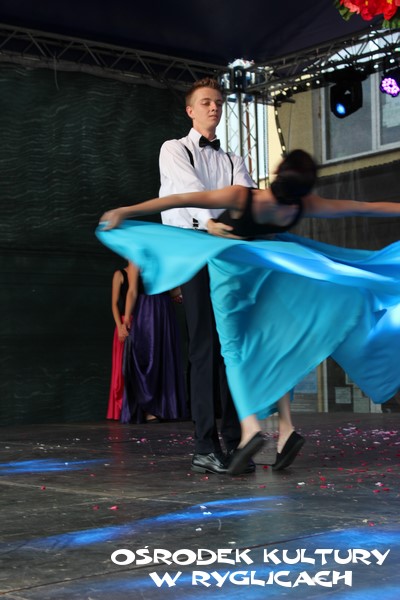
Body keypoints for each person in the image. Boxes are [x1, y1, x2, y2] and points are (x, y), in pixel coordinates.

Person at [97, 149, 400, 475]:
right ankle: (285, 428)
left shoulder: (244, 197)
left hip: (232, 280)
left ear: (278, 174)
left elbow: (180, 198)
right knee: (272, 346)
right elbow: (362, 207)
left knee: (235, 353)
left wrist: (126, 211)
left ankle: (251, 427)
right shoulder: (300, 204)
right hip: (266, 278)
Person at [158, 78, 257, 474]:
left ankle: (235, 441)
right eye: (205, 102)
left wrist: (237, 228)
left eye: (218, 102)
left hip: (229, 255)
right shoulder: (174, 148)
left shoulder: (233, 159)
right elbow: (189, 192)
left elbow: (247, 199)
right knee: (204, 348)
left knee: (232, 349)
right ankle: (204, 445)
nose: (214, 107)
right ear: (190, 110)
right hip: (195, 250)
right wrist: (215, 223)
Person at [120, 262, 189, 424]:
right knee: (147, 355)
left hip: (165, 309)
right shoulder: (137, 259)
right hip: (146, 310)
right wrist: (126, 318)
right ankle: (148, 407)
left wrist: (182, 289)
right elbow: (132, 291)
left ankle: (165, 407)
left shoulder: (164, 259)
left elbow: (171, 290)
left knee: (165, 356)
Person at [106, 264, 130, 420]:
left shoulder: (143, 276)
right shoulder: (120, 274)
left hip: (143, 322)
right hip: (123, 323)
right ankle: (121, 407)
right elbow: (114, 303)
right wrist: (120, 325)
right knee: (122, 367)